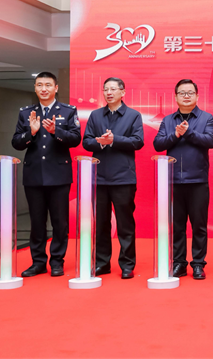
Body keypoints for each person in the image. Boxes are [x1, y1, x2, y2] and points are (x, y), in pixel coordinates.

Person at [12, 72, 81, 277]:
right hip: (33, 175)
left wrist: (55, 132)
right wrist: (31, 133)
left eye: (48, 85)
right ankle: (38, 262)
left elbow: (76, 139)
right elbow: (16, 142)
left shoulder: (68, 111)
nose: (44, 89)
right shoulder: (26, 113)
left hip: (59, 175)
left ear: (56, 88)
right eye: (40, 85)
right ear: (35, 88)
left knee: (60, 222)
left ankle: (57, 261)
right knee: (37, 222)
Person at [153, 79, 213, 280]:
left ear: (197, 96)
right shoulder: (168, 120)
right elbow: (158, 144)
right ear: (176, 97)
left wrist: (188, 132)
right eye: (182, 93)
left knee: (199, 225)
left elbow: (210, 141)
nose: (186, 96)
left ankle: (198, 264)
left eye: (190, 92)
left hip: (198, 181)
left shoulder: (206, 118)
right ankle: (179, 263)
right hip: (173, 181)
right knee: (177, 226)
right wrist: (175, 134)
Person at [82, 77, 144, 279]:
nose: (109, 92)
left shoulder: (133, 115)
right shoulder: (95, 115)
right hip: (99, 178)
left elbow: (138, 141)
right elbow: (86, 142)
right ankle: (102, 263)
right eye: (105, 89)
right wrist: (101, 142)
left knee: (125, 224)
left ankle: (127, 264)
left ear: (122, 92)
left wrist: (114, 140)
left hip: (123, 178)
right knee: (101, 224)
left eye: (113, 89)